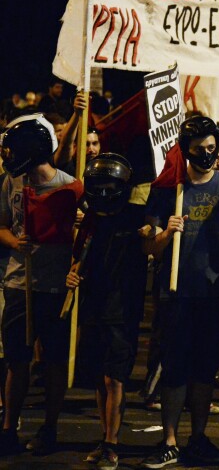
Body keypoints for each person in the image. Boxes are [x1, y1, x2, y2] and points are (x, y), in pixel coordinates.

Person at [140, 116, 219, 469]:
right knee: (175, 370)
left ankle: (198, 437)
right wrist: (163, 235)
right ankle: (170, 440)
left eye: (211, 148)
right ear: (184, 151)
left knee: (205, 372)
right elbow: (149, 249)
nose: (206, 154)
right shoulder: (166, 191)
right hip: (176, 294)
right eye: (198, 150)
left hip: (215, 292)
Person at [0, 114, 79, 456]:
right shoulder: (10, 182)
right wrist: (15, 243)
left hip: (54, 288)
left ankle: (50, 428)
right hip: (19, 283)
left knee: (53, 362)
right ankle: (8, 428)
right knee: (17, 360)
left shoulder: (71, 188)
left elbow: (84, 241)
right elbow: (2, 226)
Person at [67, 153, 147, 470]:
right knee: (100, 377)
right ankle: (105, 437)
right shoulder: (89, 219)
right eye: (97, 185)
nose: (102, 191)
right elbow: (79, 260)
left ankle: (112, 443)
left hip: (122, 307)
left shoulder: (135, 218)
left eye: (108, 185)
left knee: (115, 378)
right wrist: (73, 274)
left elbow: (151, 245)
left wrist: (154, 234)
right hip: (93, 303)